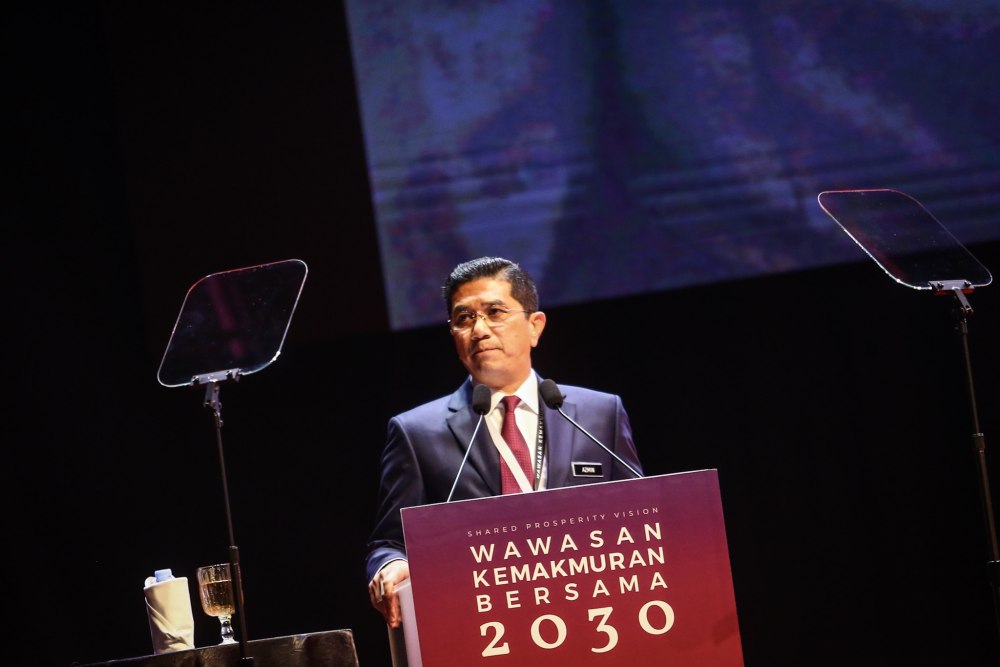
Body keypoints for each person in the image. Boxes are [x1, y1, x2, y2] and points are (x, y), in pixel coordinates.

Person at [365, 256, 644, 628]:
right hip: (482, 624)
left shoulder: (599, 414)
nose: (479, 329)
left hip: (596, 616)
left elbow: (643, 519)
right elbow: (389, 543)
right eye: (464, 318)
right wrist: (392, 565)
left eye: (494, 312)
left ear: (535, 326)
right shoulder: (416, 432)